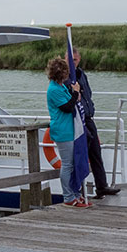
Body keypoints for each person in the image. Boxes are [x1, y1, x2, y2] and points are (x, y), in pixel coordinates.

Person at [73, 49, 119, 199]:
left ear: (79, 59)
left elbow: (88, 93)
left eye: (74, 59)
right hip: (77, 120)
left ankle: (101, 186)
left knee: (96, 153)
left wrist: (90, 106)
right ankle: (78, 190)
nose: (72, 62)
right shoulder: (68, 77)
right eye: (69, 59)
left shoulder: (82, 74)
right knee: (80, 154)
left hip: (88, 118)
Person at [46, 56, 90, 208]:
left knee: (73, 163)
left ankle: (76, 194)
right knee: (67, 164)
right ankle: (68, 196)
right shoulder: (53, 90)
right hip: (63, 131)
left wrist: (74, 92)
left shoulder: (60, 86)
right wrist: (75, 92)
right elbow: (68, 107)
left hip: (71, 130)